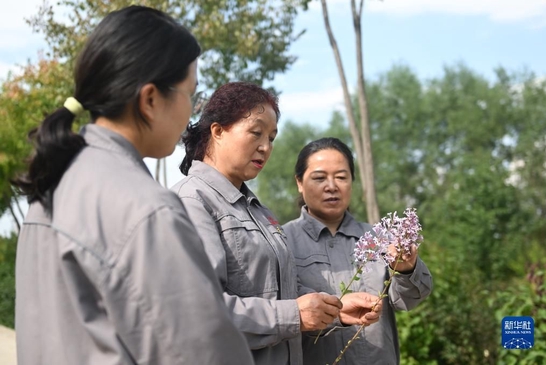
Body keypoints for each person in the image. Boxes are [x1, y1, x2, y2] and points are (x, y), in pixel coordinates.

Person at [11, 6, 254, 365]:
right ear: (151, 99)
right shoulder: (146, 208)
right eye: (191, 94)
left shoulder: (51, 184)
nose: (192, 111)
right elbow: (204, 353)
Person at [171, 82, 382, 365]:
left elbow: (282, 295)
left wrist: (335, 310)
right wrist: (294, 315)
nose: (265, 147)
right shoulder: (192, 200)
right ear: (218, 131)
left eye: (271, 138)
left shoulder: (259, 212)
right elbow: (200, 311)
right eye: (256, 133)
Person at [283, 137, 433, 365]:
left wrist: (404, 269)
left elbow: (408, 301)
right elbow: (280, 312)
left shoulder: (380, 237)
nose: (331, 186)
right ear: (300, 183)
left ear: (352, 181)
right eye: (319, 178)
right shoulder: (281, 242)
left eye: (341, 177)